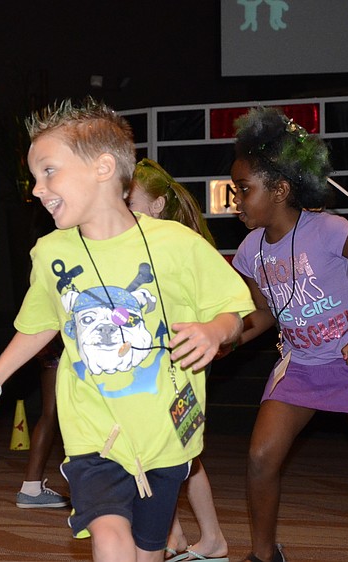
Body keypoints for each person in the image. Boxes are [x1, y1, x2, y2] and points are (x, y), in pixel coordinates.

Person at [0, 97, 253, 562]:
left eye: (49, 171)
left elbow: (235, 312)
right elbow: (38, 326)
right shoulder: (51, 253)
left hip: (164, 434)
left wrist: (215, 331)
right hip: (94, 432)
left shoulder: (177, 243)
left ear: (101, 168)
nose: (37, 189)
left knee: (148, 550)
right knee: (110, 537)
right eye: (35, 177)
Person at [229, 106, 348, 562]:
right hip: (300, 368)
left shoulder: (330, 229)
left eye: (243, 189)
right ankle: (263, 555)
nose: (235, 199)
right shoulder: (248, 250)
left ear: (279, 189)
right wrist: (225, 340)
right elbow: (265, 315)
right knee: (260, 458)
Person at [127, 158, 228, 562]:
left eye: (129, 202)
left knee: (175, 454)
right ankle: (182, 535)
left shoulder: (178, 246)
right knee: (175, 453)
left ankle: (196, 537)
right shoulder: (144, 243)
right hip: (163, 369)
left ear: (157, 206)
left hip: (176, 372)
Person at [16, 336, 70, 508]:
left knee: (50, 415)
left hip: (49, 345)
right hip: (71, 344)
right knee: (74, 416)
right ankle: (88, 491)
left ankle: (31, 488)